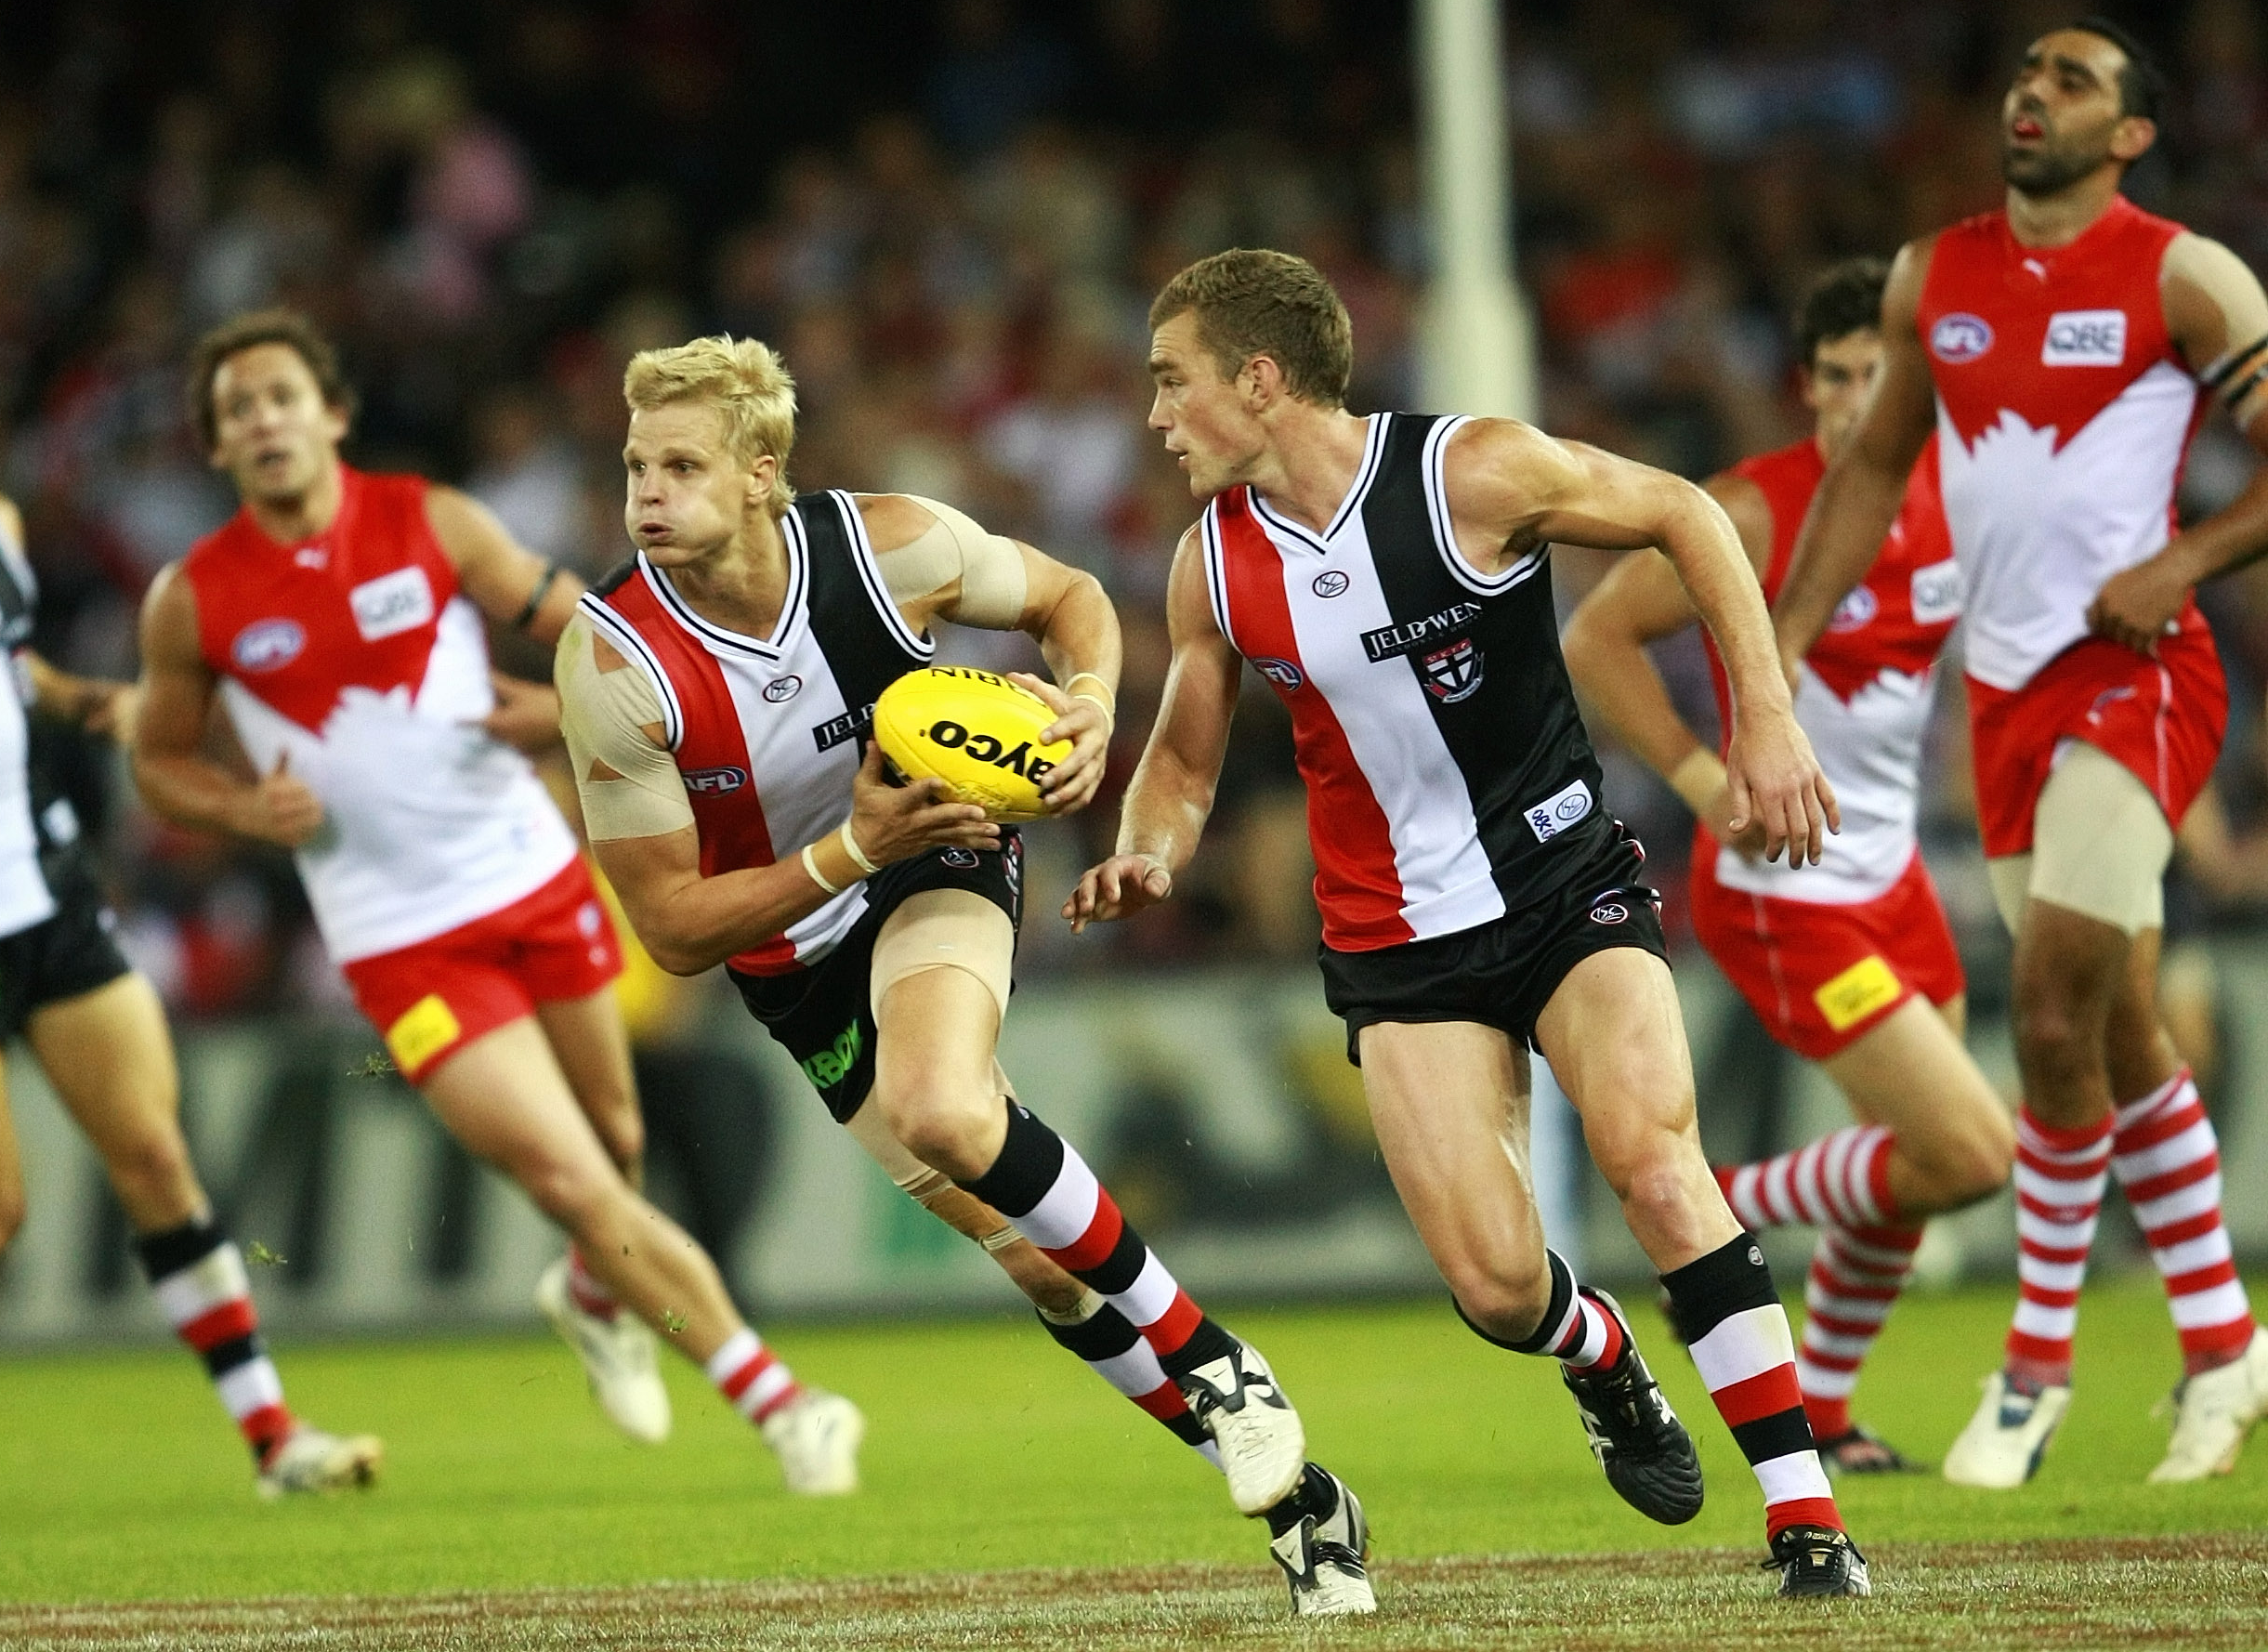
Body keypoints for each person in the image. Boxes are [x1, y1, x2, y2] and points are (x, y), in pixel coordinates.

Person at [1068, 247, 1868, 1597]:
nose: (1155, 417)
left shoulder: (1467, 475)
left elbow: (1688, 514)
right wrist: (1146, 848)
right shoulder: (1211, 567)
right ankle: (1606, 1363)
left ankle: (1809, 1526)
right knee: (1500, 1292)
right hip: (1396, 945)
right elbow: (1188, 762)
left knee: (1658, 1165)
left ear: (1259, 380)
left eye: (1173, 382)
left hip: (1564, 885)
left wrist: (1769, 717)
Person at [557, 334, 1375, 1618]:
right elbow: (668, 928)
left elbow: (1070, 601)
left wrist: (1094, 701)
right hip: (793, 945)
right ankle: (1303, 1508)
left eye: (680, 465)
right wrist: (842, 848)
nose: (645, 495)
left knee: (945, 1102)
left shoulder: (892, 547)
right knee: (1044, 1271)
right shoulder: (613, 667)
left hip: (937, 856)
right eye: (631, 468)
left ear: (763, 472)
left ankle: (1221, 1365)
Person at [132, 309, 862, 1493]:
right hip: (399, 940)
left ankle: (590, 1292)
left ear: (331, 415)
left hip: (533, 872)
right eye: (235, 410)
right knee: (573, 1176)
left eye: (279, 396)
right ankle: (782, 1405)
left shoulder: (430, 522)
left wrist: (560, 713)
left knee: (616, 1151)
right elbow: (155, 761)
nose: (261, 421)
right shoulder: (195, 597)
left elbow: (594, 626)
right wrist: (232, 810)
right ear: (218, 448)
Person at [1774, 20, 2268, 1488]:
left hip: (2138, 677)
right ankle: (2225, 1346)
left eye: (2073, 82)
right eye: (2026, 74)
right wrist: (1776, 655)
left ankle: (2033, 1367)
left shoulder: (2187, 275)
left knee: (2047, 1018)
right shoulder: (1939, 272)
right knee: (2118, 1035)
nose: (2032, 93)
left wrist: (2182, 567)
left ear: (2130, 135)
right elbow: (1871, 468)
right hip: (2000, 704)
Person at [0, 351, 378, 1499]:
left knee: (153, 1155)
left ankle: (273, 1439)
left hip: (51, 893)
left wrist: (88, 700)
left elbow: (3, 668)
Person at [1562, 259, 2014, 1473]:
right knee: (1970, 1153)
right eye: (1831, 379)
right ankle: (1727, 1201)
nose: (1851, 402)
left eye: (1875, 376)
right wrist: (1707, 780)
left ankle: (1823, 1406)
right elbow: (1596, 635)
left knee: (1909, 1178)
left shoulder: (1947, 500)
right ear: (1804, 387)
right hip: (1784, 892)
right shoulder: (1755, 509)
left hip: (1895, 878)